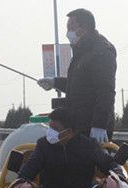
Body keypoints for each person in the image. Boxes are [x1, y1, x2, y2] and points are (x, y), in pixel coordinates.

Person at [38, 8, 117, 144]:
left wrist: (99, 125)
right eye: (67, 28)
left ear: (84, 28)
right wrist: (55, 82)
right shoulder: (81, 52)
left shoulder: (100, 52)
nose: (68, 32)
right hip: (78, 124)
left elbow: (105, 91)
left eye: (72, 27)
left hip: (92, 127)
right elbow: (78, 85)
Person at [17, 107, 124, 188]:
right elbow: (31, 166)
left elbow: (108, 163)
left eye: (55, 128)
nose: (50, 132)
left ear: (68, 131)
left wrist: (118, 175)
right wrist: (21, 182)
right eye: (50, 127)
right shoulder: (43, 145)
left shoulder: (89, 145)